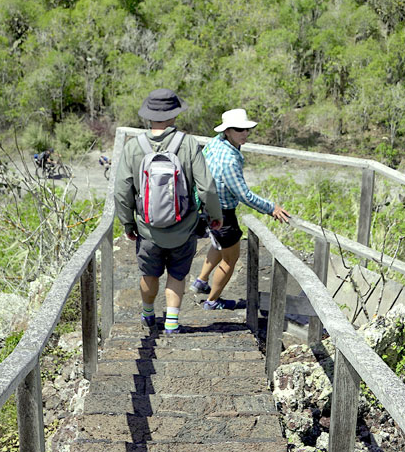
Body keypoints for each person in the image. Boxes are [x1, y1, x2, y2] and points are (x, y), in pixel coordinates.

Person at [115, 89, 222, 335]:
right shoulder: (188, 144)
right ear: (174, 115)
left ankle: (148, 312)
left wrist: (128, 223)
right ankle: (172, 322)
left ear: (148, 116)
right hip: (183, 228)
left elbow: (122, 191)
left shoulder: (133, 147)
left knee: (149, 272)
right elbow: (206, 186)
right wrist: (215, 215)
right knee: (177, 272)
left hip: (147, 229)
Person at [193, 108, 291, 310]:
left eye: (247, 130)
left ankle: (201, 281)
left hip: (207, 206)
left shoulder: (215, 143)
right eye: (239, 130)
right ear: (227, 130)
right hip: (222, 213)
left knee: (218, 244)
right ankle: (212, 301)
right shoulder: (229, 159)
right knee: (230, 259)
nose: (244, 134)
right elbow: (243, 194)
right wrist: (270, 208)